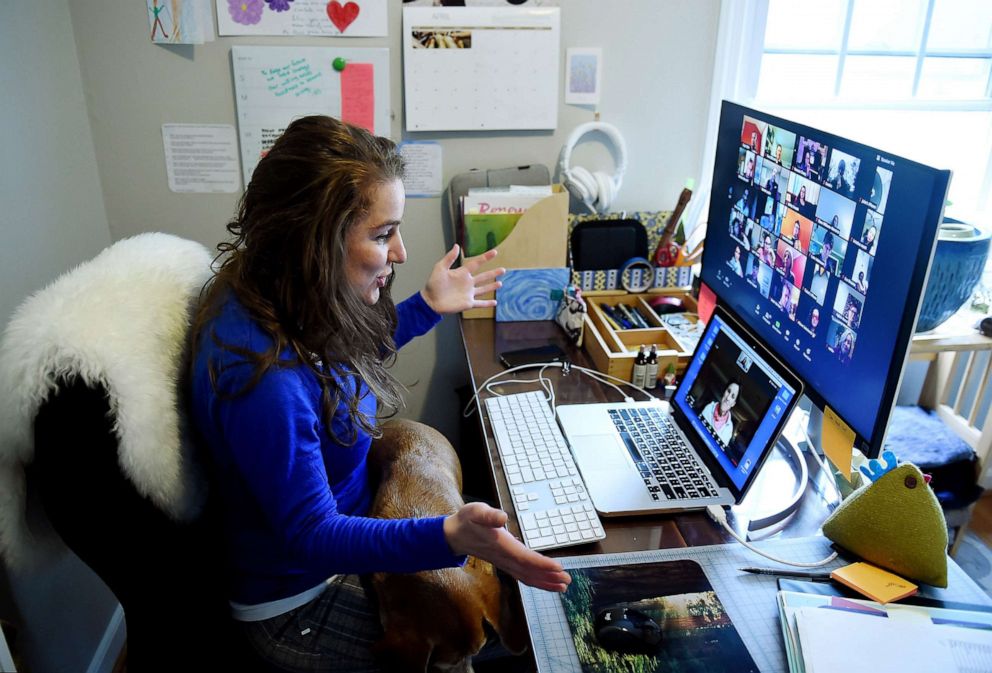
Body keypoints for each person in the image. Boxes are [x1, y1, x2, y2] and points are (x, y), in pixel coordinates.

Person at [189, 116, 569, 672]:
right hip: (299, 602)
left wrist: (426, 307)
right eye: (382, 233)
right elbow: (313, 536)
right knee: (485, 647)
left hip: (340, 531)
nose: (400, 253)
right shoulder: (262, 378)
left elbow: (339, 358)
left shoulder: (282, 289)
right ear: (314, 239)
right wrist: (450, 536)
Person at [702, 381, 739, 446]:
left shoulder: (729, 428)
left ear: (733, 404)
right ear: (724, 391)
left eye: (732, 396)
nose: (728, 398)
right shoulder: (709, 407)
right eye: (728, 391)